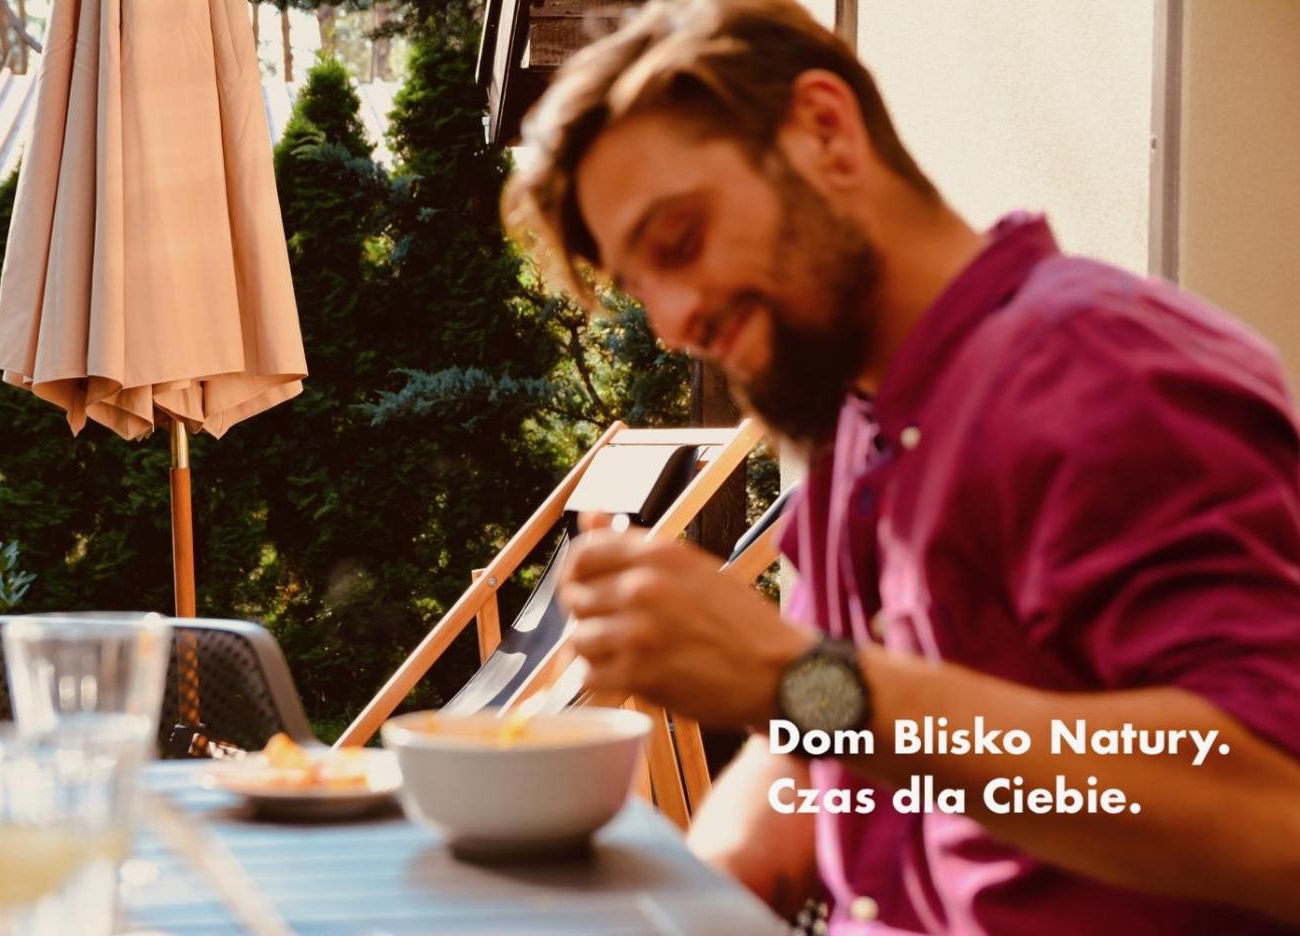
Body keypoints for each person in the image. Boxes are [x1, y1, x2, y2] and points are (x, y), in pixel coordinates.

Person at [501, 0, 1300, 932]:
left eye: (680, 241)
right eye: (643, 289)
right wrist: (686, 905)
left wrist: (787, 678)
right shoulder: (854, 413)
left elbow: (1274, 813)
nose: (676, 323)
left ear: (825, 131)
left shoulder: (1103, 376)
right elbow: (817, 745)